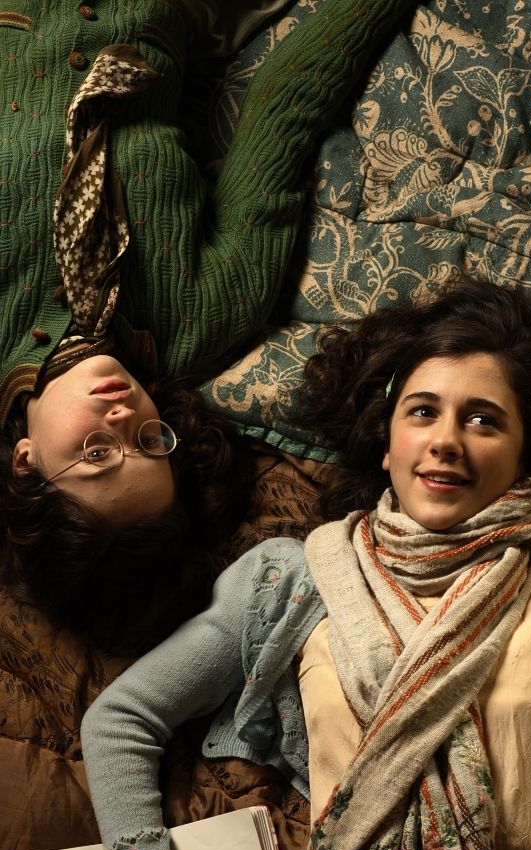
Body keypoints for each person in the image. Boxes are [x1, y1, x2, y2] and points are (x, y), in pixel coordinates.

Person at [81, 277, 531, 850]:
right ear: (386, 441)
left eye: (483, 420)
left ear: (525, 455)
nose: (445, 440)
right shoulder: (295, 580)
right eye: (422, 411)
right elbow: (119, 720)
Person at [0, 0, 415, 650]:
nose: (122, 416)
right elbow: (285, 109)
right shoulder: (209, 315)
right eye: (149, 441)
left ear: (27, 464)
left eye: (98, 453)